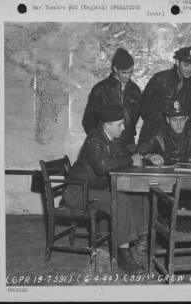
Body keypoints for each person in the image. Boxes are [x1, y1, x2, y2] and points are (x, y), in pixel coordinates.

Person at [63, 106, 148, 275]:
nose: (123, 128)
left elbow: (124, 153)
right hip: (77, 193)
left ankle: (132, 244)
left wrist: (143, 156)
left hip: (91, 190)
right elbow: (103, 167)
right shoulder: (94, 140)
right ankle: (123, 257)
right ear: (107, 125)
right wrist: (131, 160)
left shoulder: (109, 139)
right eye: (120, 124)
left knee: (135, 196)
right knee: (121, 200)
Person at [138, 47, 191, 144]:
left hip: (176, 140)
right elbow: (143, 107)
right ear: (177, 62)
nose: (189, 69)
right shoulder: (159, 79)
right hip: (151, 135)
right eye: (186, 65)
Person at [82, 47, 141, 151]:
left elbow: (136, 117)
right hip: (106, 146)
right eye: (124, 72)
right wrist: (100, 142)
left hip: (128, 145)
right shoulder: (100, 90)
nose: (128, 76)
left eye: (131, 72)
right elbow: (88, 121)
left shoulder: (135, 90)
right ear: (115, 69)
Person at [137, 100, 191, 168]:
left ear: (186, 119)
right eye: (174, 120)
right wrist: (150, 156)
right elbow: (139, 152)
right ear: (167, 120)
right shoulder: (159, 133)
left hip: (190, 176)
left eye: (182, 119)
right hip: (166, 176)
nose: (178, 124)